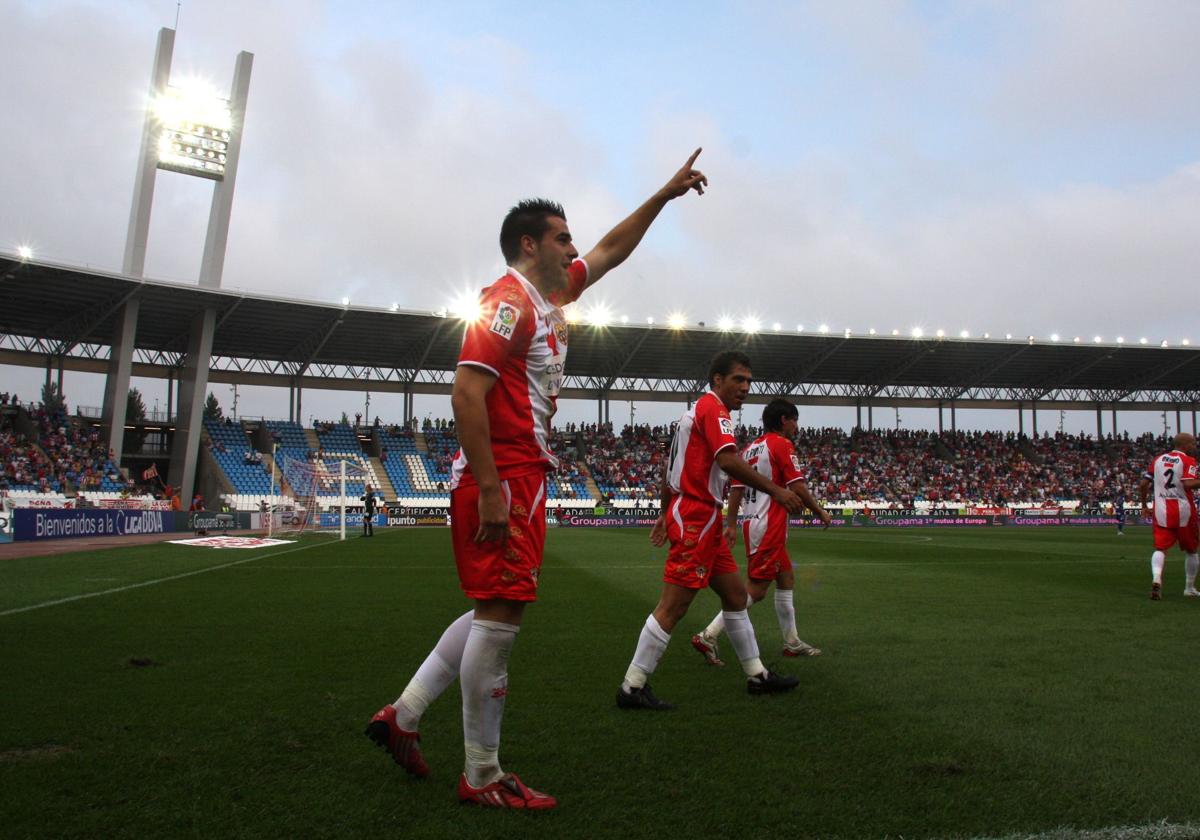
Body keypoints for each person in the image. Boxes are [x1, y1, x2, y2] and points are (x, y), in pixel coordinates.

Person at [365, 149, 709, 810]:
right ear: (530, 245)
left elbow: (611, 248)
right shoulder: (507, 303)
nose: (573, 246)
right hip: (506, 477)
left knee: (490, 610)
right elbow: (466, 393)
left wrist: (663, 196)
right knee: (502, 619)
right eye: (561, 237)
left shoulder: (551, 295)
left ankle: (403, 717)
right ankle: (483, 775)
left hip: (521, 474)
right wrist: (494, 489)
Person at [615, 351, 806, 713]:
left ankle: (757, 675)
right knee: (674, 606)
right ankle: (632, 686)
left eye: (749, 381)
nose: (746, 388)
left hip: (700, 514)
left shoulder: (694, 413)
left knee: (735, 596)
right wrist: (778, 490)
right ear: (717, 380)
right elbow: (728, 460)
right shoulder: (713, 409)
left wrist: (662, 513)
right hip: (697, 514)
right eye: (738, 379)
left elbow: (672, 468)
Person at [691, 398, 832, 666]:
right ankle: (708, 635)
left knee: (786, 577)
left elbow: (735, 490)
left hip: (752, 522)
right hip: (770, 525)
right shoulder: (781, 444)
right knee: (756, 590)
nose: (796, 426)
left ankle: (792, 642)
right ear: (784, 420)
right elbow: (798, 487)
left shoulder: (750, 449)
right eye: (794, 420)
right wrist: (820, 511)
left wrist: (731, 524)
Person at [1139, 432, 1200, 600]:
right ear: (1186, 445)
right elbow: (1188, 483)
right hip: (1184, 510)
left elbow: (1144, 484)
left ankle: (1157, 578)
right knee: (1192, 550)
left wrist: (1144, 505)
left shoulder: (1158, 460)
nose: (1194, 447)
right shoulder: (1188, 461)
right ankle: (1189, 588)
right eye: (1193, 444)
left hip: (1162, 510)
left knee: (1160, 548)